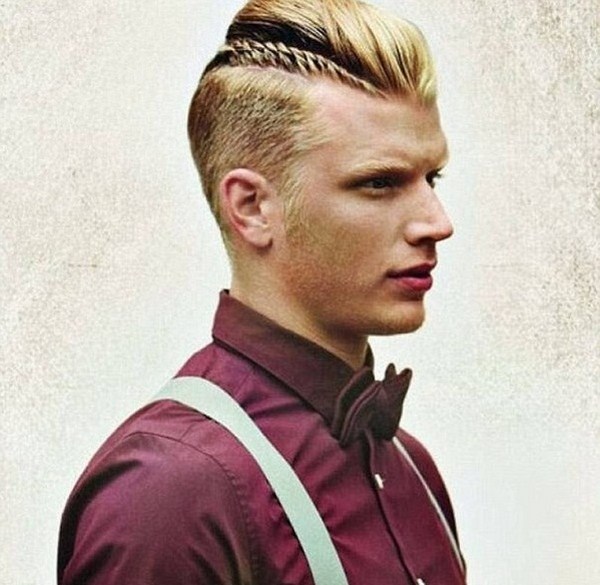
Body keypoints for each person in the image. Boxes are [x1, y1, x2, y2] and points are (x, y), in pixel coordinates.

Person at [57, 0, 466, 583]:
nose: (437, 222)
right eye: (379, 182)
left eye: (432, 178)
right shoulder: (168, 493)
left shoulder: (411, 466)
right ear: (251, 207)